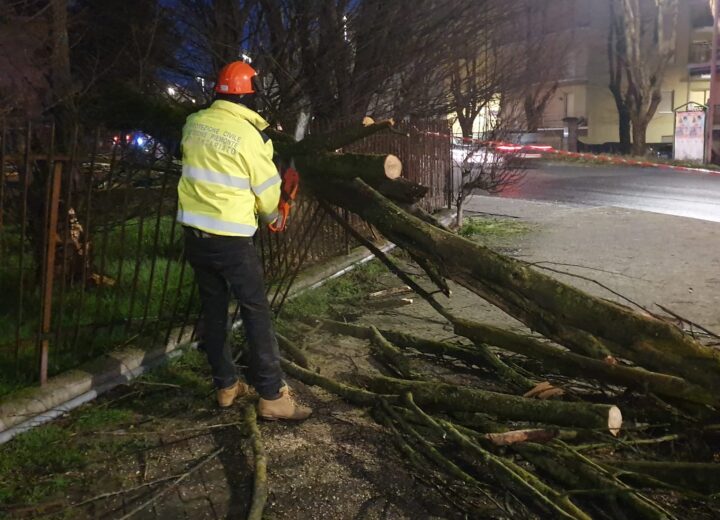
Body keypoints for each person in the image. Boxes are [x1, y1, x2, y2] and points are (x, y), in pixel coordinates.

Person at [177, 60, 311, 421]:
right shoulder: (252, 138)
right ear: (251, 97)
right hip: (232, 239)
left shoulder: (194, 124)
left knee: (215, 310)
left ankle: (225, 385)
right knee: (255, 311)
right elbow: (268, 195)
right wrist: (275, 214)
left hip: (195, 235)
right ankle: (271, 394)